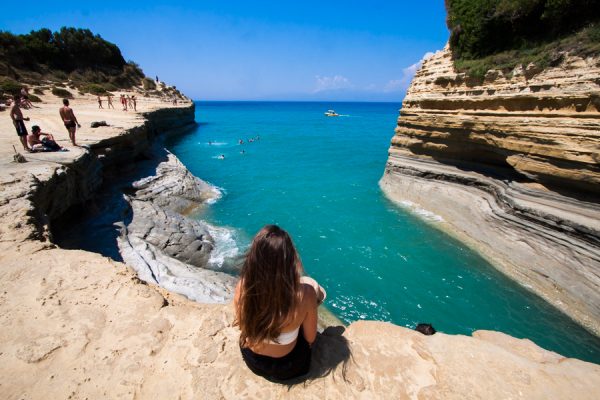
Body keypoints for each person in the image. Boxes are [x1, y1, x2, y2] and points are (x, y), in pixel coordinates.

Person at [234, 225, 326, 381]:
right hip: (289, 366)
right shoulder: (305, 294)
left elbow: (243, 324)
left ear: (254, 257)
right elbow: (310, 339)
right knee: (312, 286)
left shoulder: (242, 287)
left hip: (253, 361)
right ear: (290, 258)